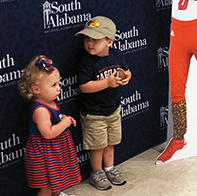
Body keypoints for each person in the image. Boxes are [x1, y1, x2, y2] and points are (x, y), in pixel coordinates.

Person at [75, 16, 130, 190]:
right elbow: (84, 86)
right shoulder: (86, 62)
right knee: (97, 146)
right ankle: (97, 172)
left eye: (95, 39)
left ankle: (109, 168)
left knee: (110, 143)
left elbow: (126, 71)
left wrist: (126, 77)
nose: (90, 43)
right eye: (87, 38)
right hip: (94, 113)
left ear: (109, 41)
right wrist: (106, 83)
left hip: (113, 110)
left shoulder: (116, 54)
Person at [18, 55, 81, 196]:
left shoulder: (50, 102)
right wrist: (65, 123)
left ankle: (58, 195)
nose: (58, 88)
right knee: (47, 187)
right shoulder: (40, 109)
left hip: (55, 151)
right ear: (36, 89)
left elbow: (54, 120)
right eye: (53, 85)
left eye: (59, 83)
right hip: (45, 154)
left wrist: (63, 118)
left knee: (57, 180)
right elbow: (48, 133)